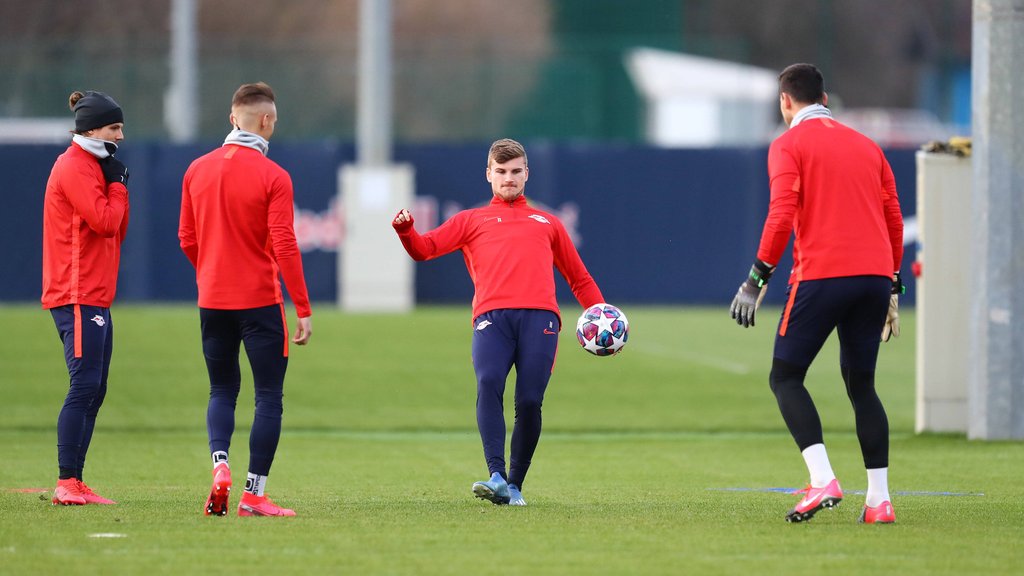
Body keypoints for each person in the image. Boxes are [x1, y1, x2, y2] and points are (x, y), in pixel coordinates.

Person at [730, 64, 904, 524]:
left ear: (785, 102)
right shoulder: (867, 145)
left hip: (822, 275)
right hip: (874, 278)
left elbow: (782, 211)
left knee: (785, 377)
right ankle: (879, 501)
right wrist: (893, 282)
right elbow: (893, 215)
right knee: (862, 386)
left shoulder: (787, 144)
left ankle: (823, 478)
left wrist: (756, 279)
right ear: (825, 99)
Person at [392, 138, 605, 506]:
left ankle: (515, 485)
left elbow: (579, 279)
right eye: (501, 171)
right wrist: (406, 231)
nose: (509, 178)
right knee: (489, 382)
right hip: (492, 318)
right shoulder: (470, 220)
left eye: (516, 171)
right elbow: (424, 249)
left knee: (530, 400)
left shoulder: (548, 223)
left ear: (527, 174)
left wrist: (602, 318)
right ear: (488, 174)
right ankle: (496, 476)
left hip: (541, 319)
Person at [179, 82, 312, 518]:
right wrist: (303, 307)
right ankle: (254, 494)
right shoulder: (274, 176)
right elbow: (285, 244)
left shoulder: (196, 169)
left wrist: (211, 273)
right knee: (268, 396)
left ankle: (220, 464)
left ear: (232, 118)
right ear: (267, 121)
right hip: (259, 301)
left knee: (221, 389)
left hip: (212, 299)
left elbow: (186, 238)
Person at [43, 90, 130, 506]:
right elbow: (106, 221)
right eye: (114, 127)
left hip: (95, 292)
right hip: (76, 291)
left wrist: (115, 184)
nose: (121, 135)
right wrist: (118, 187)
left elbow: (116, 229)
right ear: (92, 130)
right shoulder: (75, 166)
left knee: (96, 388)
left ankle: (76, 479)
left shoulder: (94, 165)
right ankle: (66, 481)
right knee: (84, 385)